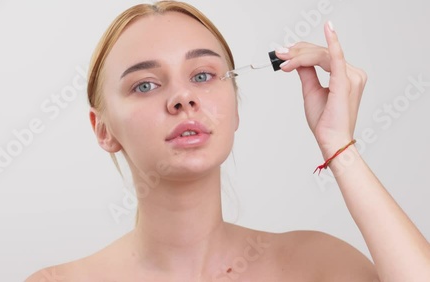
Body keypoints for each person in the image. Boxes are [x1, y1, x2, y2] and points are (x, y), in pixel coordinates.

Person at [27, 1, 430, 281]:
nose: (183, 98)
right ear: (103, 130)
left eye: (202, 76)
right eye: (145, 84)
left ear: (235, 107)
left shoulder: (317, 265)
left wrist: (340, 147)